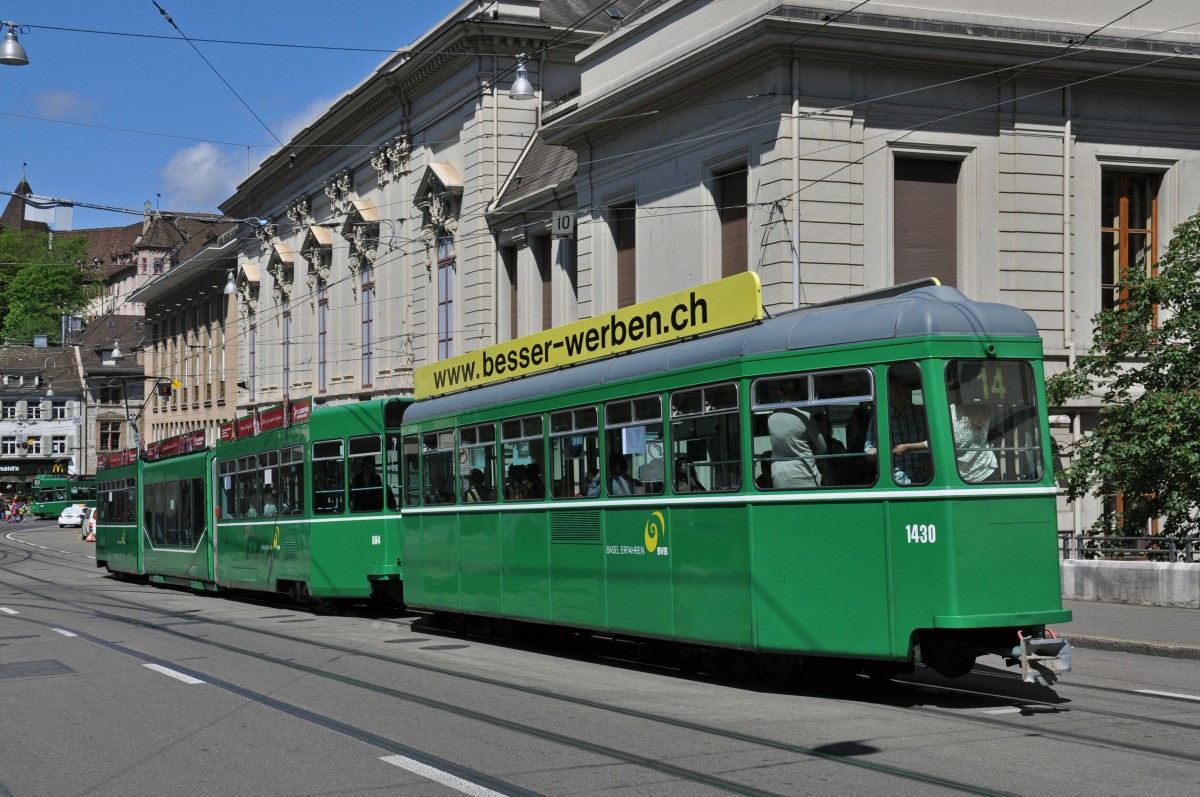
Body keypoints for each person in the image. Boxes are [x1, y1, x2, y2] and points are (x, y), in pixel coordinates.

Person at [865, 368, 930, 485]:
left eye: (902, 388)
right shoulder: (878, 419)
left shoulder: (920, 413)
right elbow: (868, 451)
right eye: (896, 390)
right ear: (887, 394)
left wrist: (908, 447)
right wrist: (874, 452)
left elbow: (932, 443)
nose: (901, 392)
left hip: (923, 480)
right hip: (895, 482)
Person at [767, 379, 827, 489]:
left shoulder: (770, 419)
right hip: (805, 474)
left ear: (779, 392)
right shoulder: (805, 417)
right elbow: (823, 448)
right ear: (799, 393)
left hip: (779, 477)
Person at [952, 403, 998, 482]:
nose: (984, 423)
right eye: (982, 419)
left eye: (986, 419)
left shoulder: (985, 414)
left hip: (986, 469)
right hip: (962, 475)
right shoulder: (952, 417)